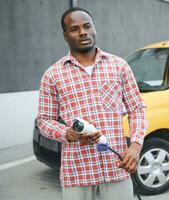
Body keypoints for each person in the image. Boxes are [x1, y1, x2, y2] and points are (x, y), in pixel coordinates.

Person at [37, 7, 148, 200]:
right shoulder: (52, 75)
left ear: (94, 28)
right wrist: (68, 134)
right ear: (65, 36)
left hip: (116, 167)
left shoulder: (119, 66)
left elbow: (137, 109)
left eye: (87, 26)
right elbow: (44, 120)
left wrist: (136, 146)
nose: (83, 32)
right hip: (77, 171)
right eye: (74, 29)